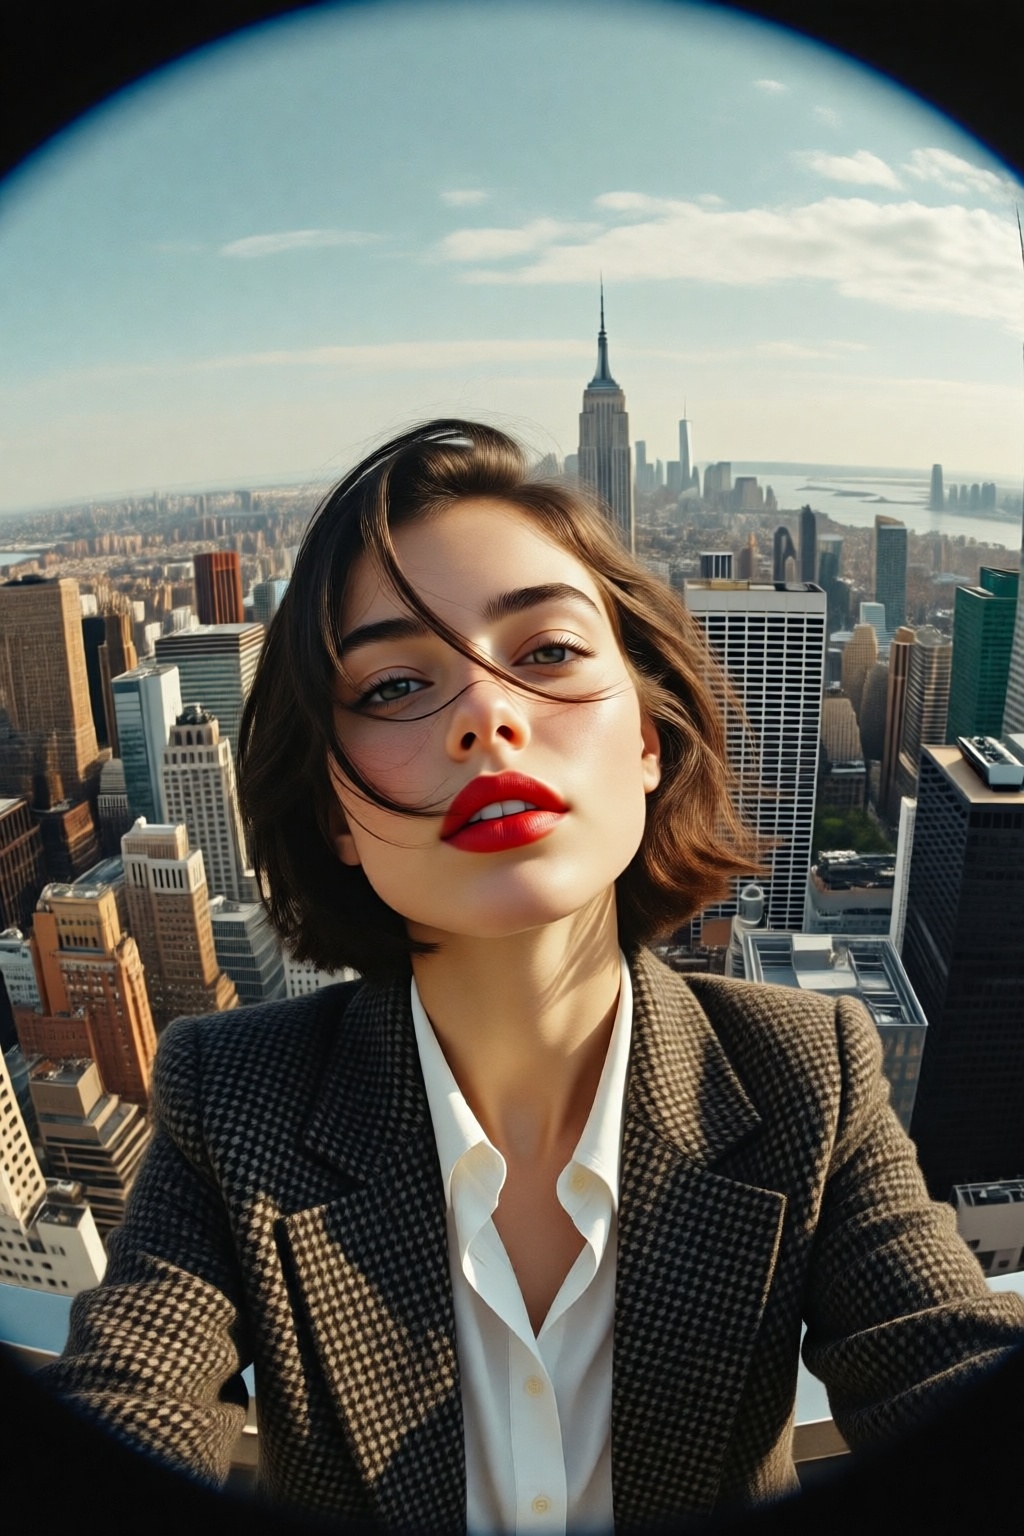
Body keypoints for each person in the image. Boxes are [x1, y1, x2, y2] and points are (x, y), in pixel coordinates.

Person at [39, 420, 1024, 1534]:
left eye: (548, 652)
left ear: (647, 741)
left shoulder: (806, 1076)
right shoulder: (233, 1101)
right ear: (336, 814)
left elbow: (944, 1361)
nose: (485, 716)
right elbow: (130, 1397)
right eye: (395, 685)